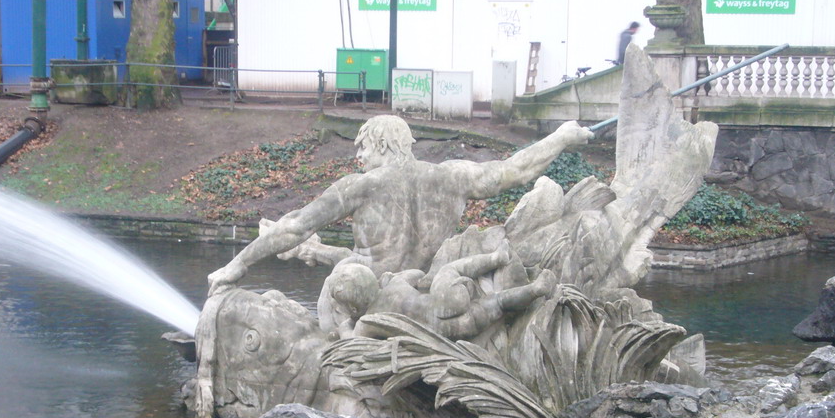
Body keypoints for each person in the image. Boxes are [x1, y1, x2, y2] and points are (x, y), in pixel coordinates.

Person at [206, 115, 593, 295]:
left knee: (341, 266)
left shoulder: (358, 186)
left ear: (382, 144)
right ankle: (314, 252)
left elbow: (294, 227)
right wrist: (560, 137)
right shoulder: (450, 177)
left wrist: (236, 264)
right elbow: (514, 171)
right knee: (341, 256)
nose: (358, 156)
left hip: (368, 300)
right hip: (422, 293)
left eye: (362, 147)